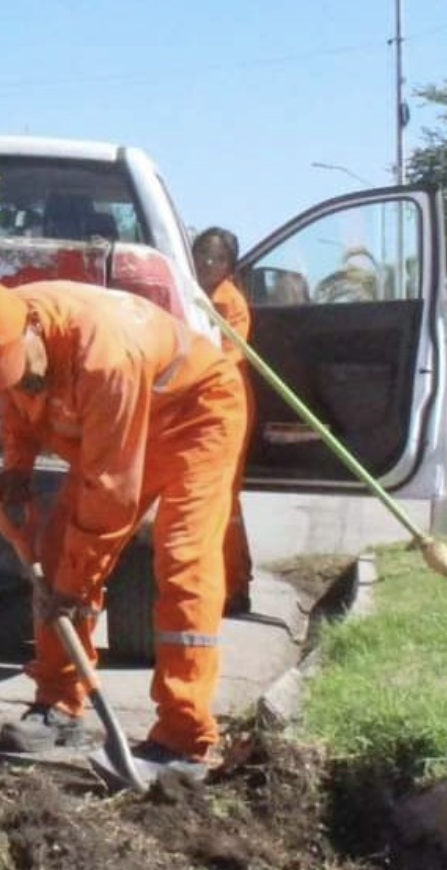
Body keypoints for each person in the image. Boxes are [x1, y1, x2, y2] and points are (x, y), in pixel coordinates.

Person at [0, 279, 248, 780]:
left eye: (20, 368)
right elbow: (18, 404)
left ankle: (184, 735)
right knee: (59, 546)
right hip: (121, 420)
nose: (18, 381)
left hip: (194, 413)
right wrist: (16, 468)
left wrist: (73, 584)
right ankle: (61, 705)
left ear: (34, 331)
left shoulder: (103, 355)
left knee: (182, 557)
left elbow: (112, 494)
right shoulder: (9, 333)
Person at [193, 226, 255, 616]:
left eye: (215, 258)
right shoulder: (195, 294)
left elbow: (230, 355)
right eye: (201, 255)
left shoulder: (229, 303)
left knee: (224, 500)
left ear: (229, 265)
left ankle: (235, 586)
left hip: (225, 405)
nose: (206, 264)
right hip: (201, 404)